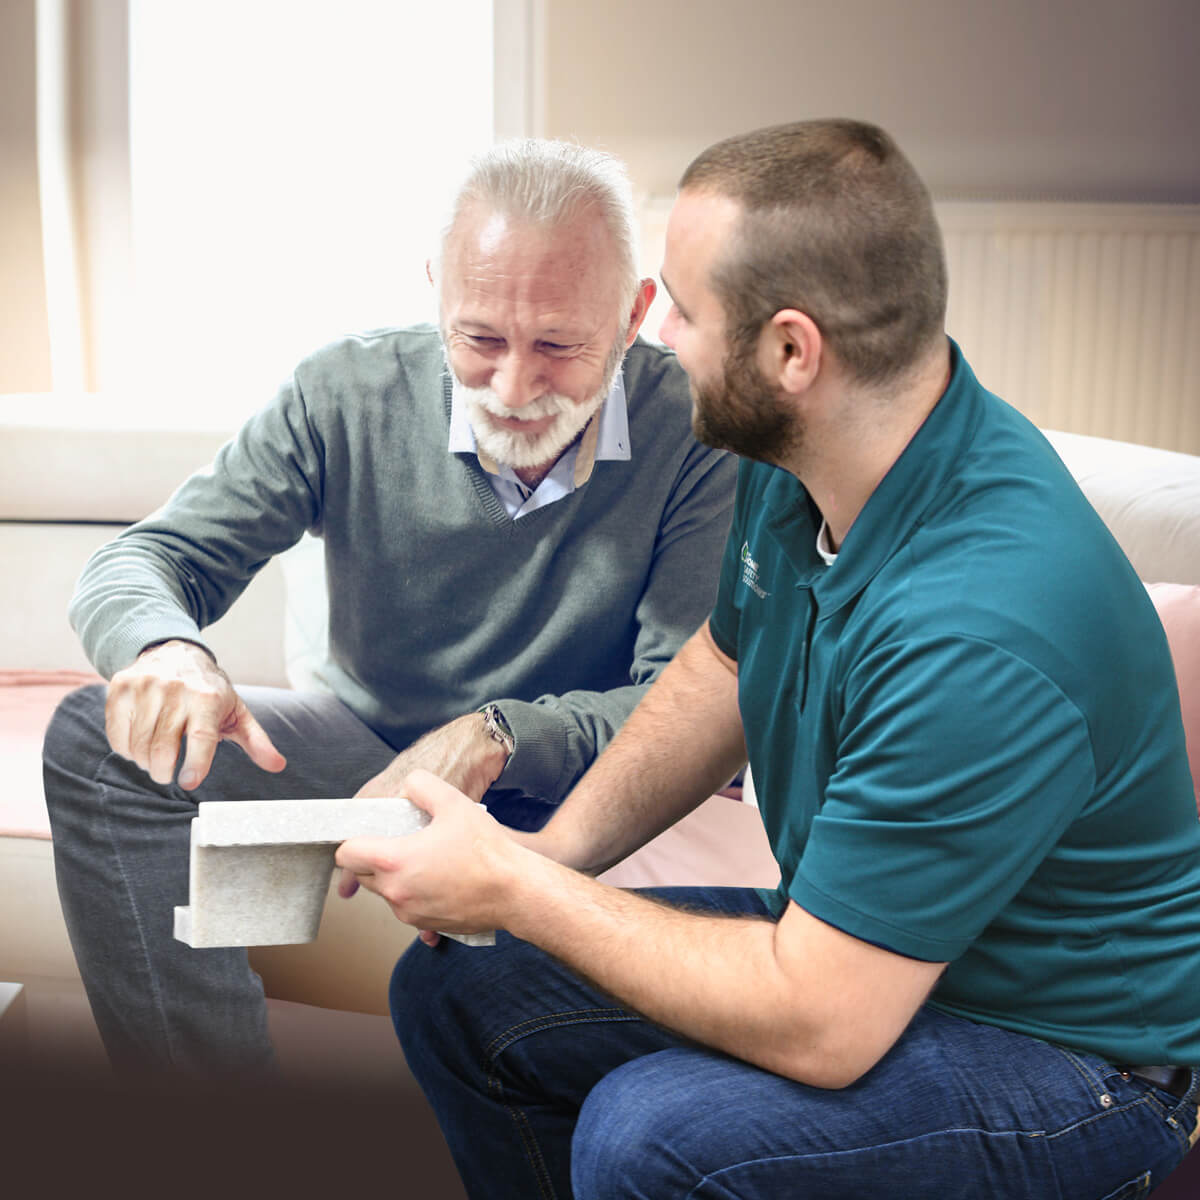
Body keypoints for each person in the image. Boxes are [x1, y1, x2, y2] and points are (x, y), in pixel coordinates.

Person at [337, 119, 1200, 1199]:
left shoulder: (979, 627)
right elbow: (722, 667)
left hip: (1068, 1056)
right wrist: (550, 859)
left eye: (686, 312)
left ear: (792, 352)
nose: (663, 342)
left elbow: (822, 1020)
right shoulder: (808, 454)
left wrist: (511, 882)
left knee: (647, 1133)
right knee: (466, 995)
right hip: (883, 955)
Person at [41, 138, 737, 1079]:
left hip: (587, 782)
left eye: (561, 347)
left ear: (633, 315)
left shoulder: (701, 428)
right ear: (436, 295)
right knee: (96, 738)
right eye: (480, 338)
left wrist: (498, 734)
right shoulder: (345, 392)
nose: (516, 388)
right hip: (369, 753)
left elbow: (683, 703)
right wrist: (167, 649)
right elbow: (147, 558)